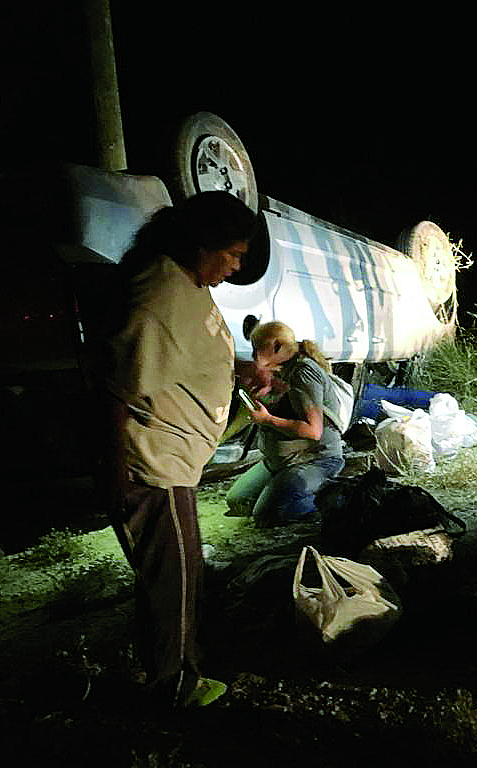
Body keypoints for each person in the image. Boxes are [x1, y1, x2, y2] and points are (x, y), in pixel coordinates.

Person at [103, 191, 256, 710]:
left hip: (176, 461)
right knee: (175, 581)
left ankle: (179, 669)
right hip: (153, 463)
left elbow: (191, 354)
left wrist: (242, 371)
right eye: (232, 254)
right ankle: (175, 688)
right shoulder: (157, 295)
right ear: (201, 244)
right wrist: (117, 471)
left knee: (181, 573)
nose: (235, 267)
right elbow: (118, 390)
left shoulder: (187, 284)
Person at [226, 320, 346, 526]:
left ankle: (337, 499)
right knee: (238, 501)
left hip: (315, 459)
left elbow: (313, 431)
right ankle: (282, 492)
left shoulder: (304, 374)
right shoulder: (282, 369)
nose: (254, 355)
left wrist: (268, 419)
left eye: (258, 349)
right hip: (284, 460)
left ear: (277, 347)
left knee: (267, 515)